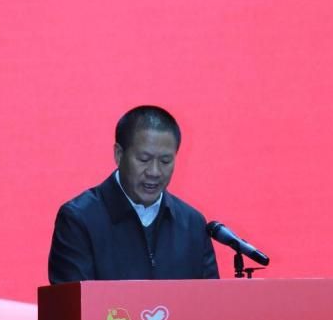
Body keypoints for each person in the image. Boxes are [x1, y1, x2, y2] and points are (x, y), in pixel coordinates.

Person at [48, 105, 219, 283]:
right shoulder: (79, 219)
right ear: (119, 154)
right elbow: (75, 299)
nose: (154, 172)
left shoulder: (193, 224)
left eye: (165, 161)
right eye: (144, 159)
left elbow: (211, 298)